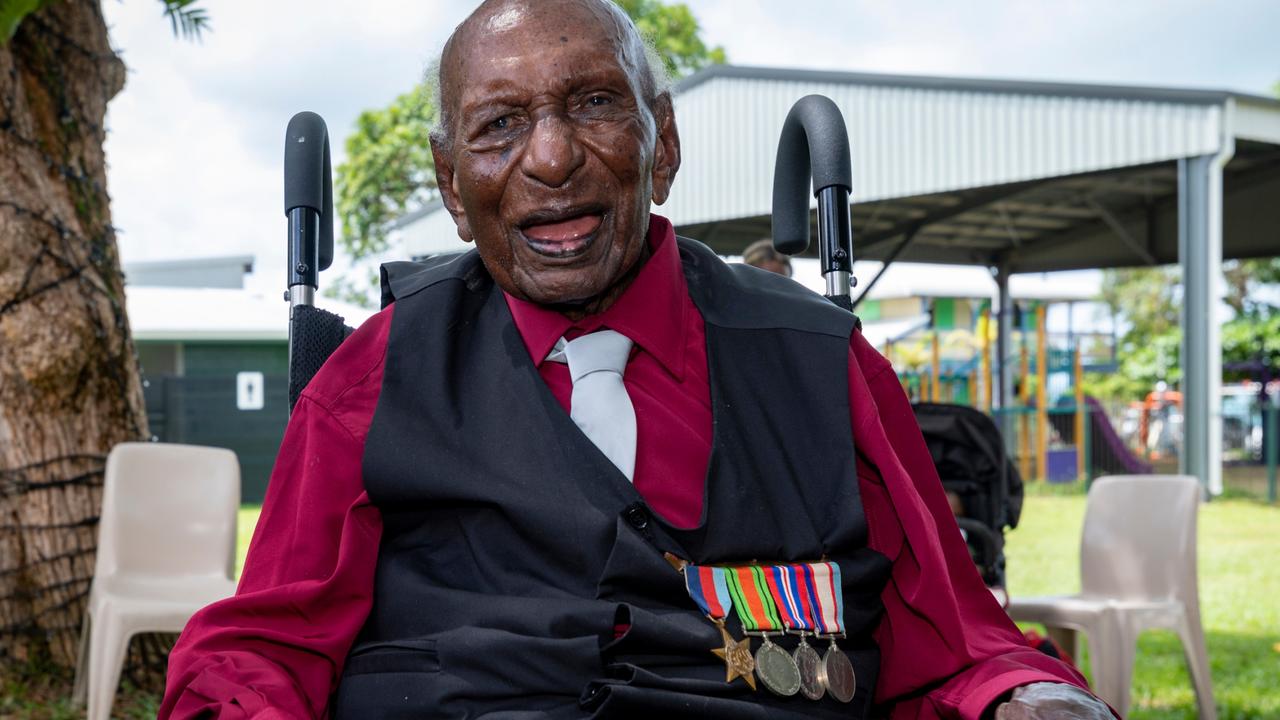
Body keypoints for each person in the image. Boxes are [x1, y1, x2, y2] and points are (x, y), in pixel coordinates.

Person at [160, 1, 1114, 718]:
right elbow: (264, 648)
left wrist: (1033, 699)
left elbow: (957, 643)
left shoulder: (823, 366)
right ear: (453, 186)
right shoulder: (372, 378)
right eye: (498, 125)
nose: (550, 157)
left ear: (662, 148)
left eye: (594, 105)